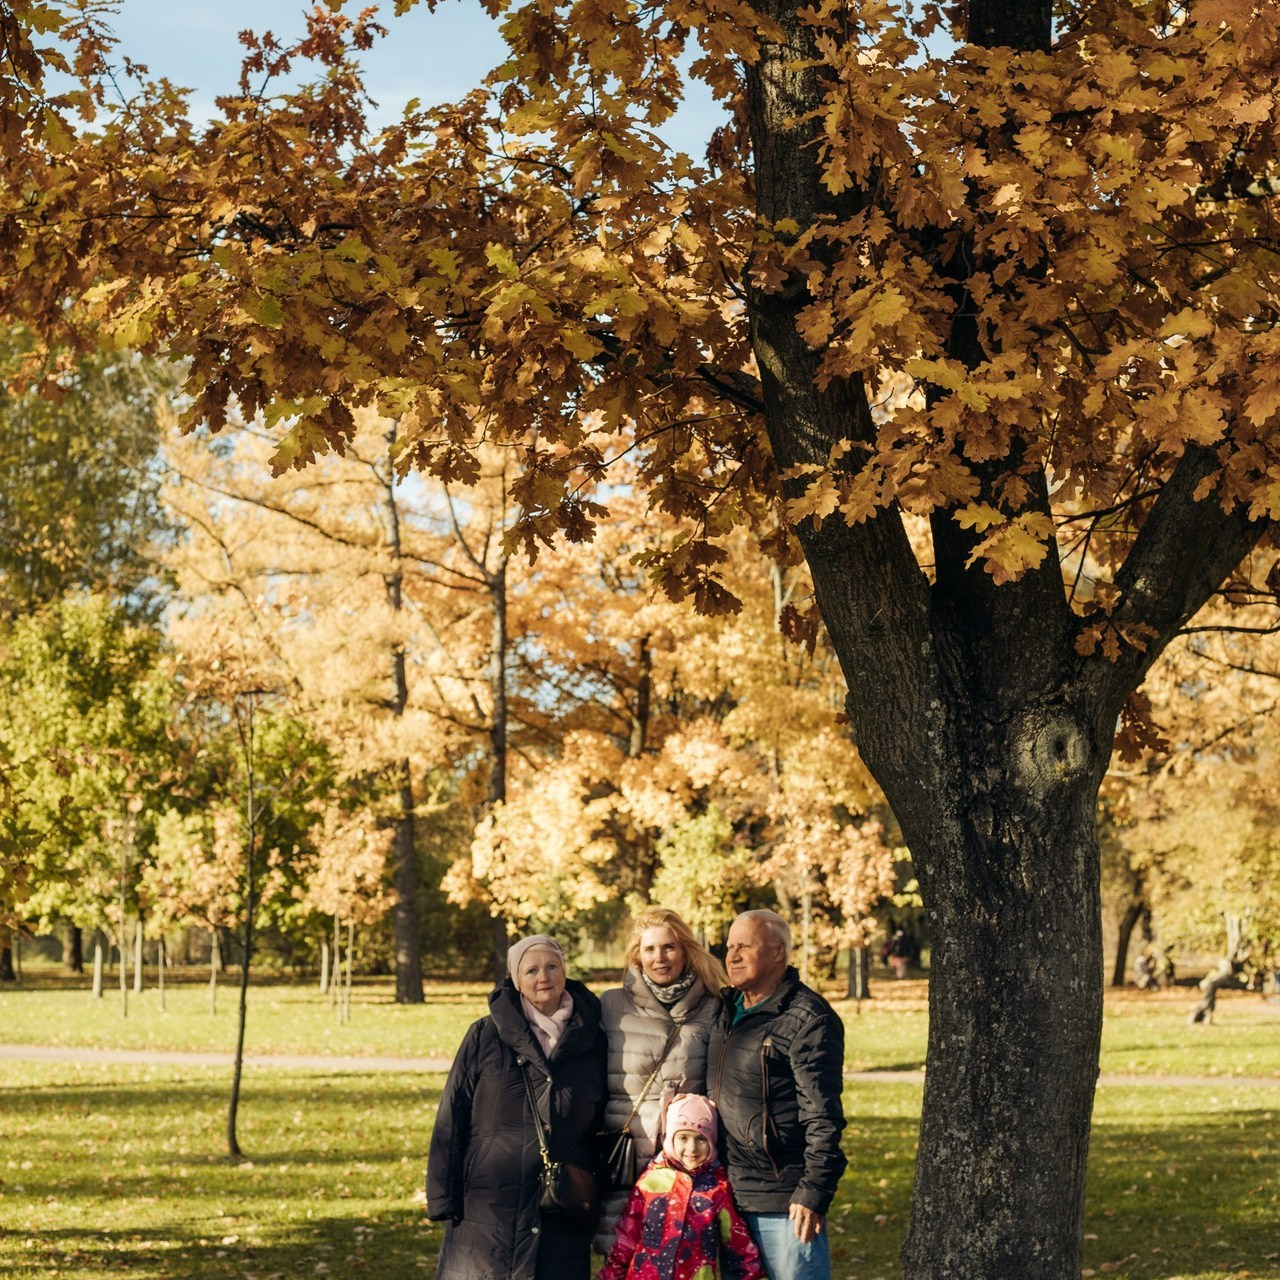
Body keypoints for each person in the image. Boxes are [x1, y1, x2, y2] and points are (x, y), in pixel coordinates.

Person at [427, 934, 607, 1280]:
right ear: (516, 980)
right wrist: (442, 1196)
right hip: (488, 1207)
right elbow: (453, 1113)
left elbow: (600, 1121)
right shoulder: (485, 1035)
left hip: (562, 1207)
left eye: (552, 966)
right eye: (532, 970)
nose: (544, 977)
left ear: (564, 971)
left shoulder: (593, 1039)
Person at [708, 909, 847, 1280]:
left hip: (785, 1202)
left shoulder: (808, 1018)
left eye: (746, 946)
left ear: (778, 953)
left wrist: (813, 1192)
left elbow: (824, 1116)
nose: (733, 955)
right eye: (730, 946)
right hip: (730, 1197)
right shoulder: (724, 1010)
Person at [595, 907, 726, 1253]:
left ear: (685, 950)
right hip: (625, 1158)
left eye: (669, 947)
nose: (660, 957)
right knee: (625, 1257)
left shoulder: (713, 1006)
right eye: (650, 949)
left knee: (683, 1260)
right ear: (637, 954)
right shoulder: (610, 1005)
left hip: (687, 1161)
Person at [598, 1093, 763, 1280]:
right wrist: (611, 1275)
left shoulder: (717, 1189)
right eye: (683, 1138)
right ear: (670, 1139)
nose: (692, 1148)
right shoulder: (650, 1181)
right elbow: (627, 1237)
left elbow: (739, 1245)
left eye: (701, 1139)